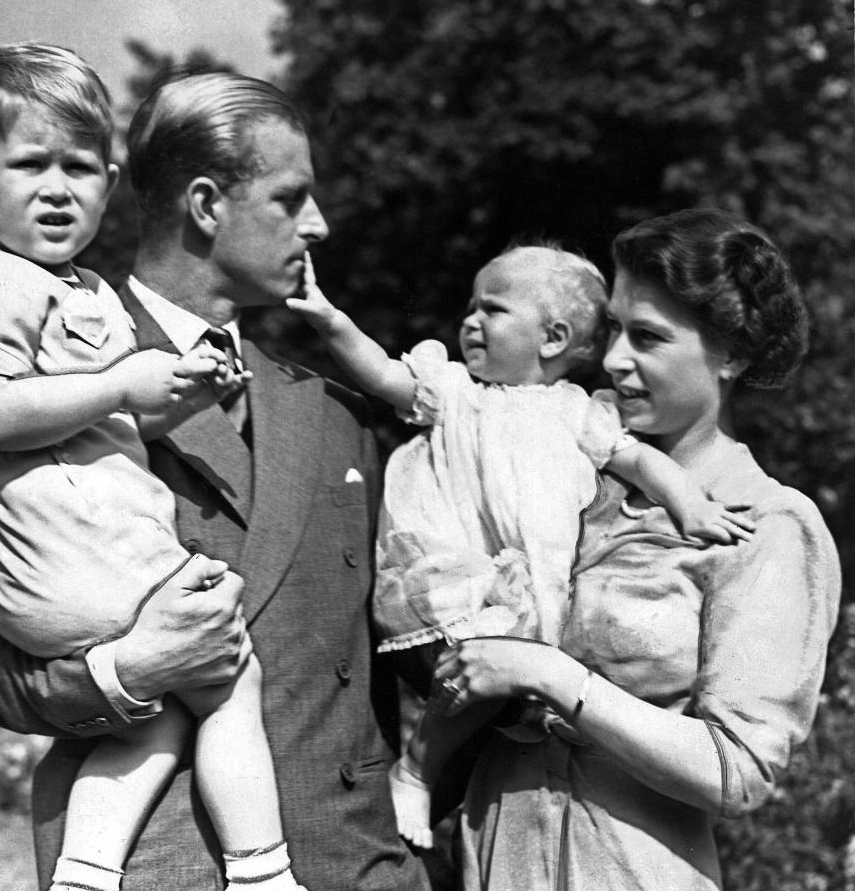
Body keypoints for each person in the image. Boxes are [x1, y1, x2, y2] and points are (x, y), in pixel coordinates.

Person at [0, 68, 458, 891]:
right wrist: (124, 671)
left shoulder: (327, 385)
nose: (319, 223)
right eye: (292, 196)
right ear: (206, 204)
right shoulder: (52, 352)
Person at [0, 43, 376, 891]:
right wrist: (124, 670)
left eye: (80, 167)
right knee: (210, 667)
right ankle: (235, 884)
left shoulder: (323, 404)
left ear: (111, 181)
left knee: (196, 683)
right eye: (28, 165)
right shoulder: (13, 303)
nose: (321, 226)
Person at [430, 208, 840, 891]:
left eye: (648, 337)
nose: (613, 360)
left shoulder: (765, 524)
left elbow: (740, 769)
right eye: (611, 328)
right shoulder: (562, 481)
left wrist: (554, 676)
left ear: (731, 356)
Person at [290, 243, 754, 846]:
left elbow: (640, 463)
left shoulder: (581, 413)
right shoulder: (454, 392)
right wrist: (328, 318)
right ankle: (416, 771)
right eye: (470, 308)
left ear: (554, 338)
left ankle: (436, 778)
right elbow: (381, 372)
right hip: (454, 572)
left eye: (493, 309)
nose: (470, 322)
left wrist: (689, 502)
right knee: (481, 666)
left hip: (528, 582)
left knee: (503, 676)